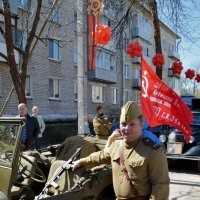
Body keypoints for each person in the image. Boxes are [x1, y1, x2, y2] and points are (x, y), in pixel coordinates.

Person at [73, 101, 169, 200]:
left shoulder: (153, 151)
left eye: (132, 124)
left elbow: (161, 187)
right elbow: (101, 156)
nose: (126, 128)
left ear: (141, 124)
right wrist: (81, 162)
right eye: (123, 124)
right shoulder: (117, 144)